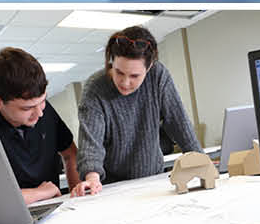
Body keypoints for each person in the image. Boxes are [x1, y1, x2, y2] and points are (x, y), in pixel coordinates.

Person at [72, 26, 201, 196]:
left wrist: (199, 161)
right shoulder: (95, 89)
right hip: (113, 187)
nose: (125, 83)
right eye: (119, 72)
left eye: (134, 76)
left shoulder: (158, 76)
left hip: (154, 178)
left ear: (148, 69)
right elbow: (91, 143)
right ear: (111, 61)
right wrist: (92, 178)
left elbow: (178, 122)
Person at [0, 47, 78, 204]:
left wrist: (76, 196)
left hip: (54, 208)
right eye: (27, 108)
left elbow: (71, 154)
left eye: (42, 101)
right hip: (9, 222)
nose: (39, 114)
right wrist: (41, 192)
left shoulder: (45, 110)